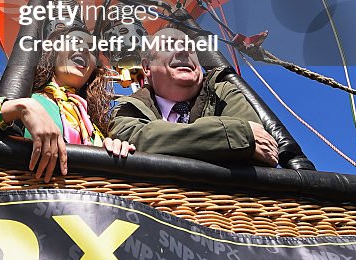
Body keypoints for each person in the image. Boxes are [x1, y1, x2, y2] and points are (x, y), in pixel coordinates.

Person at [0, 26, 135, 182]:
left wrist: (114, 149)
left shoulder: (93, 123)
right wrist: (21, 108)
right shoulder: (21, 94)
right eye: (75, 42)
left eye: (93, 51)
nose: (84, 50)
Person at [109, 26, 279, 167]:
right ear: (147, 67)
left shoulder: (223, 92)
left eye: (190, 48)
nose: (183, 51)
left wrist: (159, 141)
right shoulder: (128, 107)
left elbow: (261, 153)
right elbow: (134, 138)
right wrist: (237, 134)